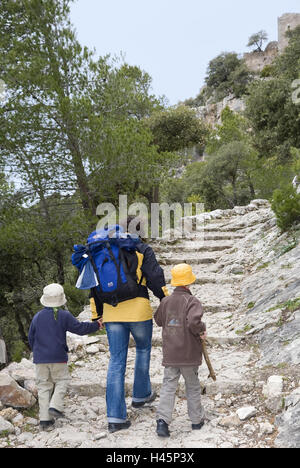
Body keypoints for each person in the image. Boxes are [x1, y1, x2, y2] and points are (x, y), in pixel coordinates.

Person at [90, 218, 169, 434]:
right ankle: (141, 395)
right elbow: (154, 277)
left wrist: (97, 314)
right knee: (143, 350)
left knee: (116, 361)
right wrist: (165, 299)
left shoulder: (102, 251)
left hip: (111, 312)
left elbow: (94, 285)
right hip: (139, 309)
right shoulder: (141, 248)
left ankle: (115, 417)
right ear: (140, 231)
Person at [28, 283, 102, 431]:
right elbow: (80, 329)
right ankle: (55, 405)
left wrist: (36, 351)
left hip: (40, 358)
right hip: (58, 356)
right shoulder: (64, 315)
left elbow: (31, 337)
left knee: (43, 386)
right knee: (62, 380)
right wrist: (96, 325)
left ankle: (45, 420)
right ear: (61, 299)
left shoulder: (37, 317)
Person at [154, 263, 206, 438]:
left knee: (168, 385)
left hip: (171, 354)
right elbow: (193, 322)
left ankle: (162, 421)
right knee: (192, 386)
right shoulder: (192, 301)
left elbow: (159, 320)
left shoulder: (166, 301)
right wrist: (202, 329)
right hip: (189, 354)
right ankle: (196, 420)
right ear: (188, 283)